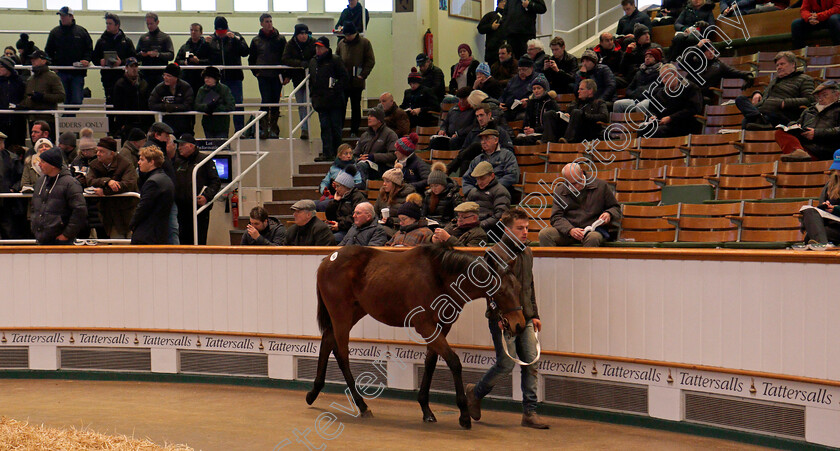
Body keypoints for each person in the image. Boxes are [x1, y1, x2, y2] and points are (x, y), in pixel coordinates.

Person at [466, 208, 548, 429]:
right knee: (505, 364)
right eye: (520, 228)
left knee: (531, 363)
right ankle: (475, 392)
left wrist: (535, 314)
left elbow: (529, 285)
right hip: (503, 317)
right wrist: (498, 316)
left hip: (526, 316)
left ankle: (530, 413)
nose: (525, 232)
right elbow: (488, 291)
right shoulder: (494, 254)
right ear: (506, 229)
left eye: (527, 228)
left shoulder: (527, 251)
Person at [538, 162, 621, 247]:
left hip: (593, 230)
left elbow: (615, 208)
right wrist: (570, 229)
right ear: (566, 180)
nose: (577, 186)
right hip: (569, 231)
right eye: (573, 184)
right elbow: (556, 217)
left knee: (593, 238)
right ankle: (552, 260)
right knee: (545, 234)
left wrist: (609, 213)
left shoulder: (601, 186)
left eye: (578, 181)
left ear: (581, 172)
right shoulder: (560, 191)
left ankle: (587, 261)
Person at [736, 51, 815, 129]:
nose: (779, 67)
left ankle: (760, 120)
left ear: (793, 64)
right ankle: (760, 119)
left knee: (748, 121)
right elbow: (766, 97)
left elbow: (810, 100)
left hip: (781, 115)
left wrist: (785, 102)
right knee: (740, 99)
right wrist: (757, 93)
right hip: (763, 111)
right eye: (777, 65)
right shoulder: (775, 81)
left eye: (782, 64)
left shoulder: (804, 79)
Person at [30, 146, 86, 244]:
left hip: (61, 240)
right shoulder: (40, 181)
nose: (39, 164)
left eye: (43, 162)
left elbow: (79, 211)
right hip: (41, 237)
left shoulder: (70, 183)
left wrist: (67, 234)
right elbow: (35, 207)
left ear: (53, 165)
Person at [173, 133, 221, 245]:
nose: (179, 148)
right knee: (181, 241)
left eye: (182, 145)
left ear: (191, 146)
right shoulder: (176, 161)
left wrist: (206, 196)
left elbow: (215, 182)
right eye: (178, 145)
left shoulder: (205, 160)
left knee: (199, 241)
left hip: (198, 209)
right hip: (180, 210)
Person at [85, 136, 138, 239]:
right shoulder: (94, 164)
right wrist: (107, 181)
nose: (98, 154)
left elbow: (128, 184)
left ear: (112, 153)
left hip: (127, 210)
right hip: (108, 214)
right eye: (97, 151)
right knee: (117, 244)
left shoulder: (126, 164)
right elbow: (90, 180)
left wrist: (105, 191)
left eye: (102, 151)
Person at [775, 81, 840, 161]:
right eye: (818, 97)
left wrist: (816, 133)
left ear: (837, 95)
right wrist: (794, 126)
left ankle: (799, 156)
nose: (821, 99)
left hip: (824, 150)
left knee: (791, 161)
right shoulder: (809, 110)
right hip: (804, 146)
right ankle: (799, 152)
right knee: (780, 132)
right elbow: (798, 123)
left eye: (824, 95)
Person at [310, 37, 349, 162]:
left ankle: (338, 154)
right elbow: (312, 81)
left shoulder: (335, 60)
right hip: (321, 102)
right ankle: (327, 153)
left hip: (335, 101)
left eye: (320, 47)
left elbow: (344, 78)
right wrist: (313, 97)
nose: (318, 49)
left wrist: (334, 90)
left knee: (335, 128)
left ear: (326, 48)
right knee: (325, 127)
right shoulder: (313, 62)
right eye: (317, 47)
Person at [208, 16, 249, 133]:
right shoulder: (211, 39)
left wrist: (236, 40)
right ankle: (218, 132)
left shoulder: (236, 36)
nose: (221, 34)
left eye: (223, 32)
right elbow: (206, 57)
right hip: (217, 79)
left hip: (234, 77)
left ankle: (240, 131)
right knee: (216, 105)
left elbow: (246, 52)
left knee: (237, 104)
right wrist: (205, 44)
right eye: (218, 32)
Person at [639, 64, 704, 138]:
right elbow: (651, 109)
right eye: (662, 78)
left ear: (675, 74)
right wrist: (652, 116)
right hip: (664, 125)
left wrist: (671, 118)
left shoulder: (689, 88)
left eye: (666, 77)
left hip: (683, 125)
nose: (664, 81)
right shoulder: (662, 93)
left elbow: (693, 109)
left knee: (657, 132)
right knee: (642, 130)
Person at [448, 105, 514, 177]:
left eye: (481, 115)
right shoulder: (473, 132)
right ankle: (463, 184)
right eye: (477, 116)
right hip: (473, 164)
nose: (479, 119)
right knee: (466, 161)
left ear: (489, 115)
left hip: (493, 162)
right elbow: (464, 150)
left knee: (476, 146)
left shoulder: (499, 131)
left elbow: (508, 150)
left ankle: (449, 169)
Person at [44, 6, 91, 107]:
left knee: (76, 100)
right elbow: (48, 52)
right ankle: (69, 120)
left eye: (64, 15)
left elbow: (89, 49)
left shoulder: (82, 32)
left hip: (78, 72)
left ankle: (67, 119)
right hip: (61, 72)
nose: (62, 18)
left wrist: (86, 59)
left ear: (71, 16)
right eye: (61, 16)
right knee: (65, 100)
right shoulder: (54, 33)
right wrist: (54, 66)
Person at [249, 14, 286, 139]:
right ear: (261, 23)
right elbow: (251, 59)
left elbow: (285, 58)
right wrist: (256, 72)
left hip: (277, 75)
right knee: (265, 101)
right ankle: (264, 129)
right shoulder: (255, 41)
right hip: (263, 76)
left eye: (270, 21)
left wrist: (286, 75)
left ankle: (274, 129)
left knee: (275, 102)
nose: (269, 23)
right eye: (266, 21)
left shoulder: (281, 39)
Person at [337, 22, 376, 138]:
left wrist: (363, 75)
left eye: (350, 35)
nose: (348, 37)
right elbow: (337, 59)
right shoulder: (341, 44)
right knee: (341, 106)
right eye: (346, 35)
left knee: (355, 106)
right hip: (344, 81)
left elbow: (370, 60)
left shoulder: (365, 43)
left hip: (357, 81)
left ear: (355, 33)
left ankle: (354, 129)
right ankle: (340, 127)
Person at [686, 39, 754, 105]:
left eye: (712, 49)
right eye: (707, 50)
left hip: (700, 96)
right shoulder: (695, 61)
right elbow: (682, 62)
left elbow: (735, 72)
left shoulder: (719, 66)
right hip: (687, 92)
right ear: (702, 52)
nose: (711, 52)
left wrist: (748, 75)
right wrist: (697, 46)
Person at [92, 12, 135, 114]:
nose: (107, 26)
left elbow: (134, 58)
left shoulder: (127, 41)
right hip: (108, 78)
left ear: (117, 25)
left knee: (124, 102)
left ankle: (122, 128)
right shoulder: (101, 41)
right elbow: (94, 57)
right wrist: (100, 61)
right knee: (110, 103)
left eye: (110, 23)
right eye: (107, 23)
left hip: (123, 76)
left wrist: (122, 62)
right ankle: (110, 128)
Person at [130, 146, 174, 245]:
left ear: (151, 162)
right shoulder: (165, 179)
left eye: (142, 159)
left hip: (147, 234)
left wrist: (132, 224)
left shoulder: (152, 182)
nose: (138, 162)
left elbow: (143, 208)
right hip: (160, 232)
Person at [282, 24, 316, 140]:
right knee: (302, 105)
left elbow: (318, 57)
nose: (304, 36)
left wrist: (309, 64)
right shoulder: (291, 44)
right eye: (301, 33)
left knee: (307, 104)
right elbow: (285, 59)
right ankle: (304, 128)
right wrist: (300, 63)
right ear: (296, 34)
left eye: (305, 33)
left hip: (311, 80)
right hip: (298, 80)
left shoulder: (313, 43)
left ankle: (304, 128)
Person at [463, 129, 520, 196]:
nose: (483, 142)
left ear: (496, 140)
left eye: (487, 139)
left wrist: (493, 187)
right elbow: (467, 179)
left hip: (499, 193)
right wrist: (472, 192)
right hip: (479, 194)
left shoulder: (507, 155)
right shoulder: (477, 159)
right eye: (482, 140)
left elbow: (512, 175)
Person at [800, 151, 840, 246]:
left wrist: (836, 209)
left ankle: (821, 244)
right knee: (809, 211)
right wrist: (825, 206)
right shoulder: (830, 184)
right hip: (830, 224)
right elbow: (820, 209)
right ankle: (822, 244)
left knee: (812, 234)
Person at [19, 50, 65, 132]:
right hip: (32, 119)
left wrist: (42, 97)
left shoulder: (52, 77)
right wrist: (21, 105)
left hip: (47, 120)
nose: (32, 60)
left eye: (35, 58)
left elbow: (61, 97)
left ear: (44, 60)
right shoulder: (30, 79)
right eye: (32, 59)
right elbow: (27, 97)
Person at [149, 63, 195, 137]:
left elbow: (188, 105)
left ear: (176, 77)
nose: (165, 78)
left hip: (184, 125)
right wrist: (165, 107)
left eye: (169, 76)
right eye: (164, 75)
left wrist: (173, 107)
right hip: (167, 125)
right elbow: (151, 104)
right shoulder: (159, 88)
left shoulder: (185, 87)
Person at [111, 57, 151, 140]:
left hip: (143, 123)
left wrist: (150, 123)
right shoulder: (120, 85)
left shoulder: (144, 83)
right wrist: (121, 124)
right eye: (131, 66)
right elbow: (118, 106)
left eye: (136, 66)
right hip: (128, 124)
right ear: (126, 68)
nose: (134, 69)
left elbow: (148, 103)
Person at [465, 160, 511, 231]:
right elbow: (465, 210)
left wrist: (481, 224)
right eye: (477, 179)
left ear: (492, 176)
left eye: (482, 179)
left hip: (490, 230)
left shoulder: (500, 191)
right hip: (473, 227)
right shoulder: (472, 192)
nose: (480, 182)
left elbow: (500, 215)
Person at [355, 107, 398, 183]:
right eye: (368, 116)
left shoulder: (390, 134)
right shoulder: (365, 135)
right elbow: (356, 153)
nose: (369, 118)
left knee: (362, 166)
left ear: (379, 119)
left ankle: (361, 188)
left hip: (382, 167)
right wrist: (359, 158)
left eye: (372, 116)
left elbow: (393, 155)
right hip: (364, 163)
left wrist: (373, 157)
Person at [613, 48, 663, 114]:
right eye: (646, 56)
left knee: (641, 106)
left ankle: (642, 124)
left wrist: (645, 93)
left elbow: (660, 89)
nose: (647, 58)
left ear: (656, 59)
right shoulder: (639, 72)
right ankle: (619, 124)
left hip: (651, 100)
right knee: (618, 104)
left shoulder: (661, 72)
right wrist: (634, 94)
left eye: (650, 57)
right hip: (636, 99)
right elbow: (629, 89)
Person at [325, 166, 368, 241]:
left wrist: (340, 225)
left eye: (338, 186)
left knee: (331, 239)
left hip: (351, 230)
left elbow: (355, 217)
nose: (336, 189)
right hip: (339, 228)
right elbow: (329, 216)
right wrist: (335, 202)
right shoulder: (340, 197)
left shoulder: (357, 197)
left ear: (346, 186)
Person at [515, 74, 557, 145]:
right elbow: (526, 121)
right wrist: (526, 129)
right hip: (531, 133)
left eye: (539, 88)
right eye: (534, 89)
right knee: (517, 140)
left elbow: (551, 125)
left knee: (528, 140)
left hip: (545, 134)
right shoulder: (531, 103)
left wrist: (535, 130)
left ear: (544, 89)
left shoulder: (550, 102)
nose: (536, 91)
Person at [136, 12, 175, 89]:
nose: (149, 26)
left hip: (160, 74)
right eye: (147, 24)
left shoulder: (165, 37)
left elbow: (171, 55)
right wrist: (142, 54)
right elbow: (135, 55)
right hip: (145, 73)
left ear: (157, 22)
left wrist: (158, 55)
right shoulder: (143, 38)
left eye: (151, 23)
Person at [194, 66, 235, 139]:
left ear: (215, 78)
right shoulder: (202, 90)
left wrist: (214, 108)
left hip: (222, 124)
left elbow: (231, 105)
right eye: (205, 77)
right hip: (208, 124)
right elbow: (197, 105)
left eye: (209, 77)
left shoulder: (224, 89)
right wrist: (208, 107)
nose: (206, 80)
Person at [374, 166, 415, 233]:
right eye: (384, 181)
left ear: (395, 183)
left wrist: (391, 221)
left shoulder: (407, 196)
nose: (384, 184)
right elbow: (375, 212)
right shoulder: (382, 194)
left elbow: (410, 219)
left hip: (399, 229)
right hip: (382, 227)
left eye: (387, 181)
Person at [320, 144, 362, 209]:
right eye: (346, 154)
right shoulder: (333, 168)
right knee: (315, 204)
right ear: (339, 155)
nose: (349, 156)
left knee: (321, 205)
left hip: (346, 197)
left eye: (350, 153)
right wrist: (324, 190)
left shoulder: (355, 168)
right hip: (332, 195)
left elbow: (359, 183)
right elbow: (325, 182)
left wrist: (342, 187)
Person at [175, 23, 212, 96]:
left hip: (202, 79)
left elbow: (212, 61)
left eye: (196, 30)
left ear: (201, 32)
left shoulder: (207, 46)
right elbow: (177, 61)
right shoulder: (185, 47)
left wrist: (199, 61)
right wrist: (185, 62)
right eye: (191, 30)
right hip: (187, 78)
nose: (193, 32)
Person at [0, 132, 25, 239]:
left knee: (8, 233)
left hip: (7, 202)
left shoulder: (12, 158)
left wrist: (14, 188)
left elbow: (21, 178)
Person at [0, 56, 27, 147]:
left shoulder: (21, 82)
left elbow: (26, 98)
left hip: (17, 121)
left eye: (1, 66)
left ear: (8, 67)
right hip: (2, 121)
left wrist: (20, 105)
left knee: (17, 148)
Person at [499, 56, 536, 121]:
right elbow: (504, 94)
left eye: (524, 70)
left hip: (525, 109)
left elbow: (541, 95)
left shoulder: (538, 79)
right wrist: (499, 103)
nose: (521, 72)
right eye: (519, 70)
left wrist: (528, 101)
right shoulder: (513, 80)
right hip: (508, 108)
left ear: (531, 68)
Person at [477, 0, 507, 67]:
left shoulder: (509, 17)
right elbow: (480, 28)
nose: (504, 4)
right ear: (498, 3)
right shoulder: (490, 15)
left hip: (506, 52)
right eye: (502, 1)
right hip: (492, 53)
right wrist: (491, 27)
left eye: (506, 2)